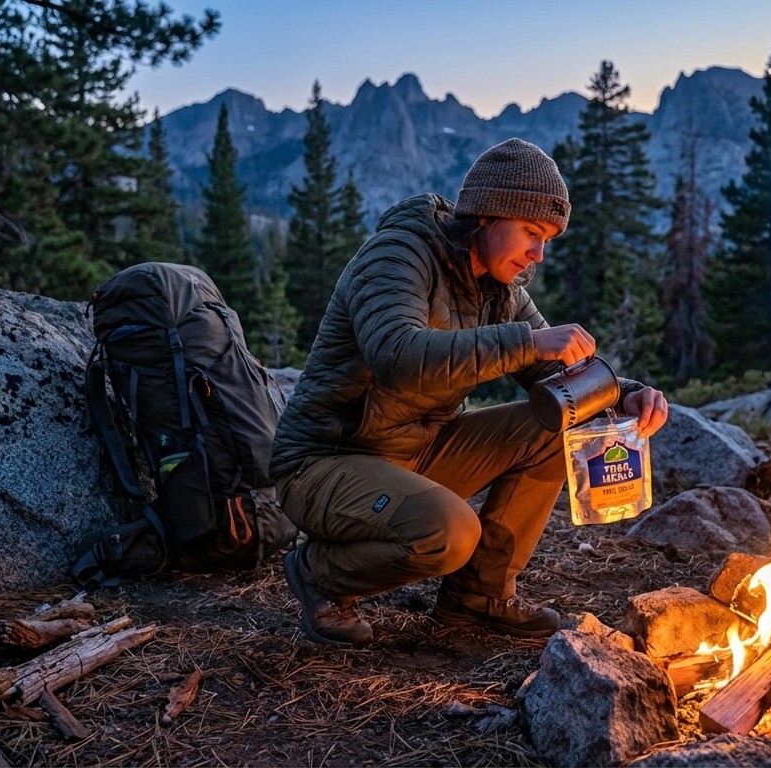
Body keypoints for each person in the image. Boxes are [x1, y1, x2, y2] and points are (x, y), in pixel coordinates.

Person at [269, 138, 669, 646]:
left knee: (556, 422)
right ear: (485, 216)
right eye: (530, 232)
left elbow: (553, 372)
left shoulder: (500, 288)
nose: (538, 254)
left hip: (419, 452)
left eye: (546, 239)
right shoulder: (397, 255)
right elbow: (396, 353)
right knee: (450, 532)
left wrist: (625, 393)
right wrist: (528, 341)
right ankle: (317, 572)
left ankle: (479, 598)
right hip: (327, 460)